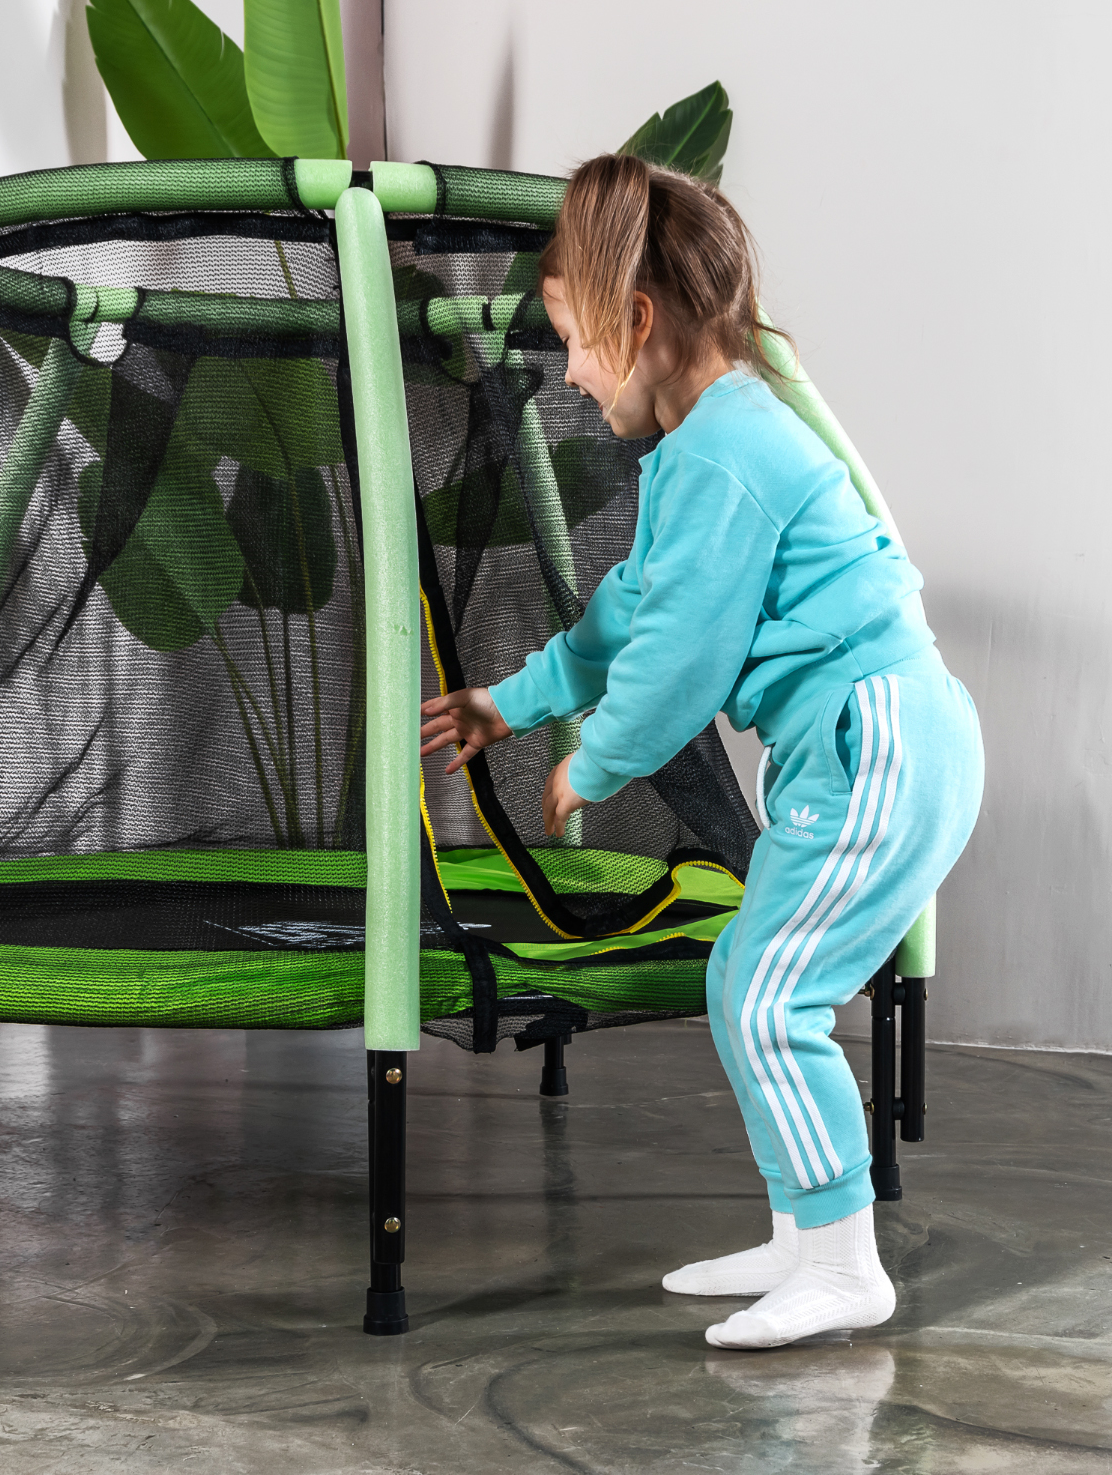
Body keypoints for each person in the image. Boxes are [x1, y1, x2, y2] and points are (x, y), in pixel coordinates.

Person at [419, 153, 984, 1350]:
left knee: (771, 993)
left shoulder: (727, 454)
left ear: (638, 322)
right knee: (748, 982)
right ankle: (804, 1235)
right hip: (858, 745)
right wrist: (507, 705)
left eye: (576, 342)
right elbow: (627, 611)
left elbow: (677, 659)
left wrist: (594, 762)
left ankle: (846, 1264)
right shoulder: (702, 451)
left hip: (880, 742)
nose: (572, 374)